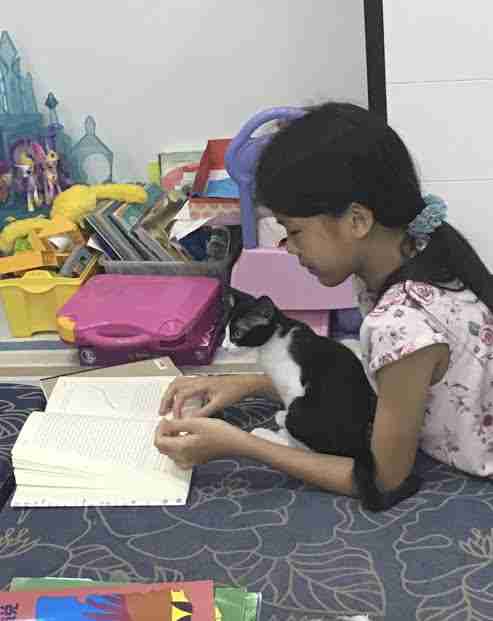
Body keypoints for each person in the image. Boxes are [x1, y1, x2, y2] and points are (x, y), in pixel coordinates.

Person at [154, 102, 493, 509]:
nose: (289, 248)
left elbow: (383, 481)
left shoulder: (402, 323)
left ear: (357, 221)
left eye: (295, 231)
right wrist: (253, 384)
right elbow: (392, 385)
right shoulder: (414, 253)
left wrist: (240, 445)